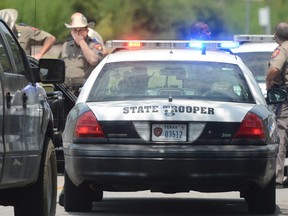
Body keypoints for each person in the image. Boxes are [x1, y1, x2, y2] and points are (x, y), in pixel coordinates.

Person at [265, 22, 288, 187]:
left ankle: (278, 177)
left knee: (280, 133)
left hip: (284, 96)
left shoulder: (282, 49)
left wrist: (268, 81)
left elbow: (274, 69)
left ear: (276, 35)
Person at [58, 12, 105, 92]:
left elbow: (93, 61)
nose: (77, 33)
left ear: (86, 30)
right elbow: (58, 66)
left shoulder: (94, 45)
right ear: (70, 31)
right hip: (67, 91)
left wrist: (81, 42)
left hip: (86, 91)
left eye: (80, 30)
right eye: (75, 30)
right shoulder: (66, 45)